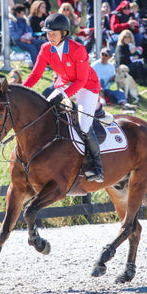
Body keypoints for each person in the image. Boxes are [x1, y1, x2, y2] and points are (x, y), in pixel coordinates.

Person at [22, 13, 103, 182]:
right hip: (65, 83)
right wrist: (19, 90)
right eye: (47, 33)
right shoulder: (45, 49)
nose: (49, 37)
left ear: (63, 34)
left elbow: (81, 80)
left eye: (53, 33)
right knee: (45, 112)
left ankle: (97, 166)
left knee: (83, 124)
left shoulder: (78, 49)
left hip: (87, 86)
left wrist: (64, 96)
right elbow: (35, 75)